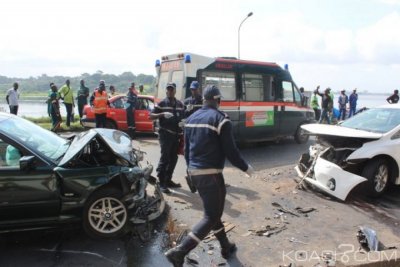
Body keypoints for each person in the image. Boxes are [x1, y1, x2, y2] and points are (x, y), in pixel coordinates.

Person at [165, 85, 255, 266]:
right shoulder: (221, 120)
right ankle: (180, 251)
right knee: (211, 216)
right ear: (218, 100)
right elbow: (231, 151)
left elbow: (187, 151)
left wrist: (190, 172)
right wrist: (246, 168)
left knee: (212, 213)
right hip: (211, 175)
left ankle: (225, 246)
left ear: (204, 100)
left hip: (195, 172)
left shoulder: (190, 119)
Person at [149, 82, 185, 193]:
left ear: (175, 91)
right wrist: (162, 114)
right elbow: (150, 116)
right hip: (165, 134)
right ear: (166, 91)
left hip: (176, 135)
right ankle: (161, 182)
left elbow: (183, 116)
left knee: (173, 158)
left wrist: (183, 122)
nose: (169, 91)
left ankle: (168, 179)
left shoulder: (180, 104)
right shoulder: (162, 104)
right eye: (168, 89)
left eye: (171, 89)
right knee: (165, 158)